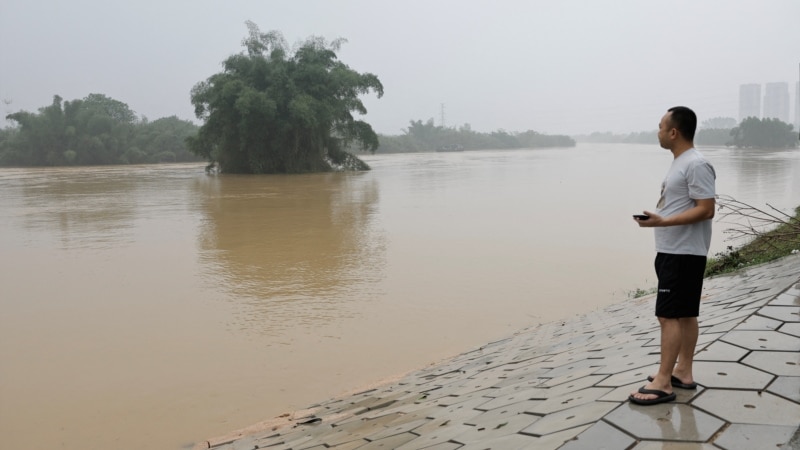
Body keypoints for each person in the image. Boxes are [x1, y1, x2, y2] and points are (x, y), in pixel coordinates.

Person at [629, 106, 716, 406]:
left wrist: (662, 221)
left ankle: (663, 382)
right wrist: (659, 217)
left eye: (661, 126)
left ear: (673, 132)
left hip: (680, 253)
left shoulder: (695, 164)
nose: (658, 131)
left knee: (667, 316)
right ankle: (683, 373)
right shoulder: (682, 163)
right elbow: (683, 204)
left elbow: (706, 208)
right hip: (677, 251)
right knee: (685, 314)